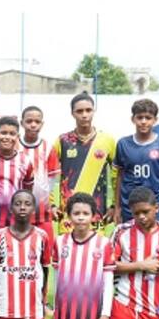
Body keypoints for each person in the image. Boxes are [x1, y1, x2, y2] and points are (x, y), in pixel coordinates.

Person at [108, 186, 159, 319]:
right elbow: (108, 266)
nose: (142, 217)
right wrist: (141, 265)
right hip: (125, 302)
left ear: (157, 208)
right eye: (137, 213)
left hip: (155, 306)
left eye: (146, 211)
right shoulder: (121, 231)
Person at [0, 189, 52, 319]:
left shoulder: (42, 236)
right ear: (10, 208)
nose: (22, 207)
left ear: (34, 209)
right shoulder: (0, 236)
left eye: (27, 204)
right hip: (7, 304)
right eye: (18, 204)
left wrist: (43, 298)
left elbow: (45, 269)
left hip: (33, 304)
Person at [51, 193, 113, 319]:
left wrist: (105, 315)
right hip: (65, 315)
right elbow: (57, 280)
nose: (80, 218)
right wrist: (56, 310)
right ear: (69, 216)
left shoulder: (104, 244)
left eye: (85, 214)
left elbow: (108, 283)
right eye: (76, 213)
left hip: (91, 317)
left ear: (93, 216)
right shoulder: (59, 242)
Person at [51, 92, 117, 231]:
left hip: (97, 215)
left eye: (88, 110)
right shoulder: (62, 141)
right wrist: (51, 205)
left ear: (94, 111)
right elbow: (48, 174)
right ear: (72, 113)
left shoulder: (107, 141)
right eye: (79, 111)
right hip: (68, 217)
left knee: (95, 251)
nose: (84, 115)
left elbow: (118, 176)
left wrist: (115, 206)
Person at [113, 98, 159, 227]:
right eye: (140, 117)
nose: (143, 122)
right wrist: (117, 207)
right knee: (132, 244)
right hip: (130, 207)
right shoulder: (123, 144)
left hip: (158, 206)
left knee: (158, 244)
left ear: (155, 120)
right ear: (133, 119)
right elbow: (120, 176)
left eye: (148, 118)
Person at [20, 105, 59, 241]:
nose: (33, 125)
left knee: (45, 252)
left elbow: (52, 181)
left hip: (43, 212)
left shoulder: (48, 148)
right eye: (29, 121)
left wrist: (51, 203)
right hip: (18, 211)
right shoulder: (14, 146)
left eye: (37, 122)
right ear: (22, 123)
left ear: (42, 124)